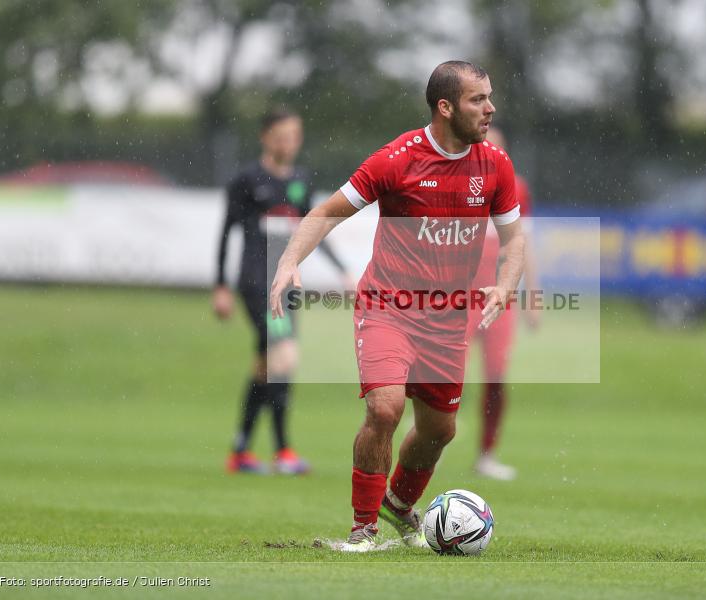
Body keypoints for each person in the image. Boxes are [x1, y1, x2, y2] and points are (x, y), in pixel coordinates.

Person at [268, 61, 526, 551]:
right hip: (387, 306)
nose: (490, 108)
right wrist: (288, 261)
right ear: (445, 107)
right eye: (479, 100)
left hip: (448, 320)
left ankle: (398, 506)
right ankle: (362, 530)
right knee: (385, 410)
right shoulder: (397, 159)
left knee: (440, 430)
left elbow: (514, 243)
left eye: (490, 97)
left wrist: (504, 285)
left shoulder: (495, 165)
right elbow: (324, 213)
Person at [214, 106, 351, 475]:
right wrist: (221, 287)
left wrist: (343, 270)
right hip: (257, 283)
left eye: (295, 136)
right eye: (282, 136)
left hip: (286, 284)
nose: (290, 143)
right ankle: (283, 450)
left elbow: (314, 227)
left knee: (265, 365)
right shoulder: (246, 179)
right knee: (284, 357)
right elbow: (227, 232)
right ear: (266, 138)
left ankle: (240, 451)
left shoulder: (301, 181)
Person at [466, 125, 540, 481]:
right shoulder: (457, 186)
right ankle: (430, 433)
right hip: (457, 298)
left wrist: (532, 296)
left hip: (501, 299)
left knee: (496, 377)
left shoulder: (516, 189)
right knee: (442, 374)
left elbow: (523, 244)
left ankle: (487, 453)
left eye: (498, 149)